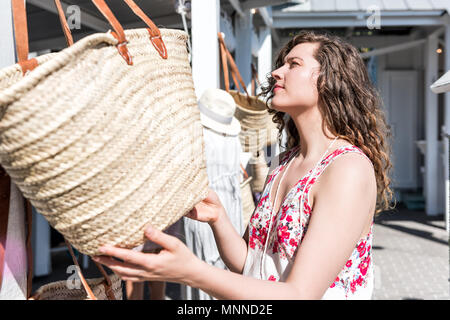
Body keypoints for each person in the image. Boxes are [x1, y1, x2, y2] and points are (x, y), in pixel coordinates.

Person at [92, 31, 394, 300]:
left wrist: (191, 272)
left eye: (294, 64)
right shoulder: (284, 162)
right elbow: (250, 264)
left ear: (328, 80)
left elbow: (300, 294)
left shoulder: (347, 169)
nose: (276, 72)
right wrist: (219, 218)